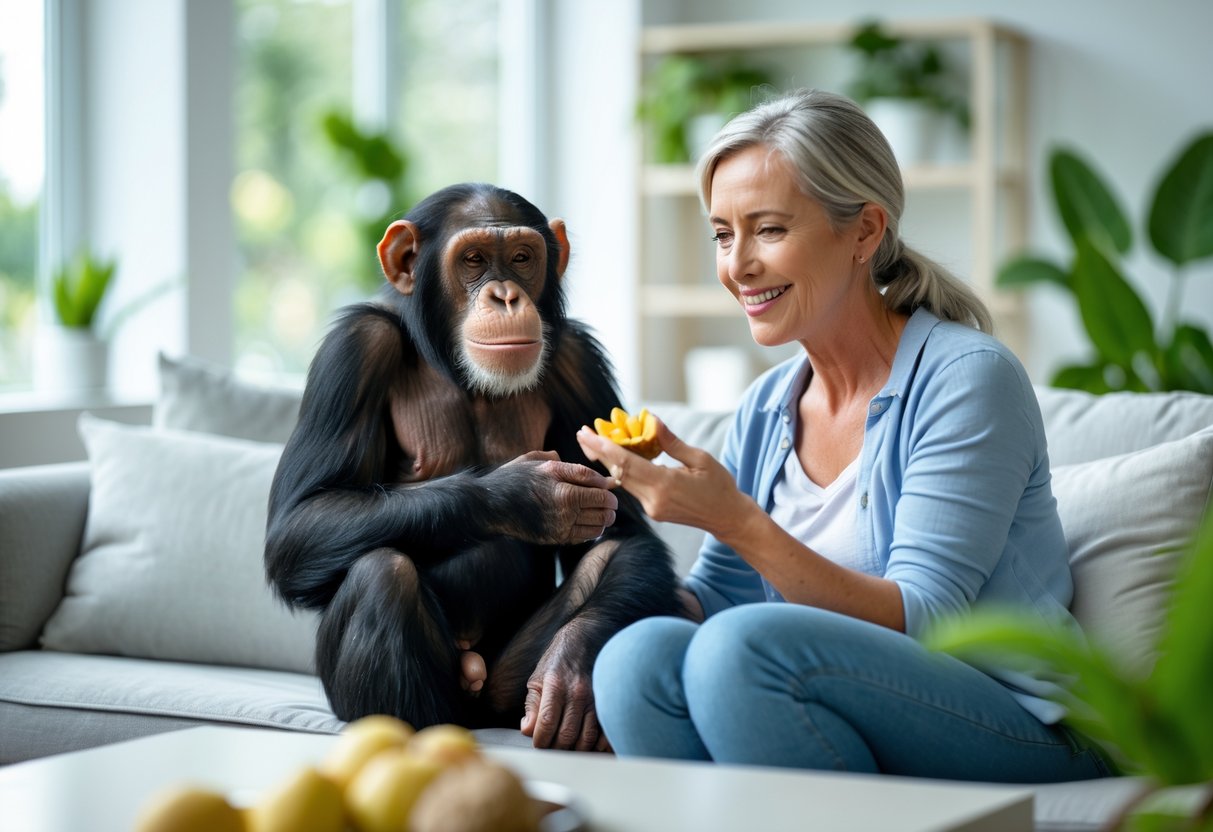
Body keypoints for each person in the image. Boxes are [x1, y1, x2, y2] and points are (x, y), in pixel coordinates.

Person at [575, 89, 1116, 782]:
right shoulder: (768, 406)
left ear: (863, 231)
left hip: (1021, 720)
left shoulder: (967, 379)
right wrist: (587, 602)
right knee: (634, 659)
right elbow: (718, 597)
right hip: (857, 700)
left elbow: (925, 618)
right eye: (721, 233)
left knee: (741, 650)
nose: (736, 264)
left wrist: (732, 517)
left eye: (767, 230)